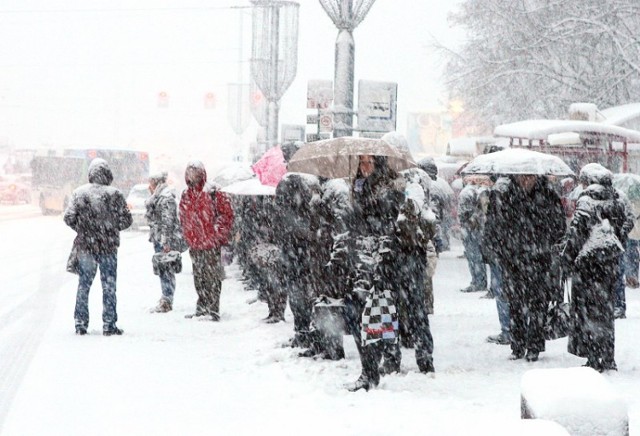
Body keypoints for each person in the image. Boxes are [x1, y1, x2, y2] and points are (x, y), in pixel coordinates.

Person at [484, 174, 566, 362]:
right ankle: (518, 344)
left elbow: (559, 225)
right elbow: (495, 224)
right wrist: (497, 246)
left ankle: (534, 346)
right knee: (516, 303)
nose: (526, 180)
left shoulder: (548, 195)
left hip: (539, 259)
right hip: (513, 258)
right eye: (523, 177)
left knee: (538, 304)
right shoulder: (505, 195)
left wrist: (544, 238)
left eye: (530, 177)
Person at [561, 164, 633, 371]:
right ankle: (608, 356)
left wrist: (567, 258)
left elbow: (576, 233)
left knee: (588, 312)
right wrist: (615, 238)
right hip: (609, 264)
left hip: (588, 266)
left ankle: (593, 356)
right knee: (606, 311)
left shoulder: (586, 200)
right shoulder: (617, 199)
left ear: (587, 181)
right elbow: (628, 222)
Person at [63, 158, 132, 336]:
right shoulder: (115, 194)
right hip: (108, 247)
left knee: (84, 285)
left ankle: (80, 324)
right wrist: (111, 228)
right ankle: (109, 324)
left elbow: (68, 217)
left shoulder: (80, 193)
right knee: (109, 286)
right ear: (108, 175)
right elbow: (127, 220)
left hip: (86, 246)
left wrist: (84, 229)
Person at [179, 160, 234, 321]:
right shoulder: (186, 194)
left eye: (194, 172)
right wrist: (188, 233)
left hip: (210, 243)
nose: (191, 175)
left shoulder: (214, 192)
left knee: (212, 277)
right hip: (195, 243)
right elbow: (183, 215)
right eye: (189, 172)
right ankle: (202, 306)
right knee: (199, 277)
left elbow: (227, 215)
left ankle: (213, 308)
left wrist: (217, 233)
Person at [145, 171, 182, 313]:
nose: (149, 186)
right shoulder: (159, 196)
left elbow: (168, 221)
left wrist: (165, 241)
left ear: (157, 183)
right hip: (160, 238)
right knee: (164, 268)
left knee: (166, 269)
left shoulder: (166, 198)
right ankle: (166, 297)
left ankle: (167, 299)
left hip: (164, 240)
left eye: (151, 183)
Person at [457, 176, 489, 293]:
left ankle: (478, 281)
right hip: (475, 228)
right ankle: (479, 281)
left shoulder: (468, 192)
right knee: (475, 256)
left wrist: (467, 222)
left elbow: (470, 212)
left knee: (474, 256)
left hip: (471, 229)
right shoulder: (476, 191)